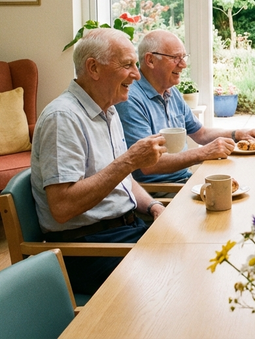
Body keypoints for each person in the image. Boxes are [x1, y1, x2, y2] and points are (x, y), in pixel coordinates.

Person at [30, 28, 168, 295]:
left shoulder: (108, 110)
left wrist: (152, 205)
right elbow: (62, 206)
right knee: (181, 268)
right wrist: (129, 161)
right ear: (93, 68)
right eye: (127, 65)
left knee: (194, 244)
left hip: (123, 231)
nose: (137, 75)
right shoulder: (63, 118)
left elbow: (123, 182)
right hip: (88, 249)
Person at [116, 30, 255, 184]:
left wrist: (238, 134)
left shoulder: (171, 92)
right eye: (175, 58)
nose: (184, 64)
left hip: (184, 181)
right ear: (150, 60)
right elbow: (148, 165)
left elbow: (201, 134)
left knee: (250, 180)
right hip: (161, 191)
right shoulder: (130, 99)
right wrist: (203, 152)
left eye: (184, 57)